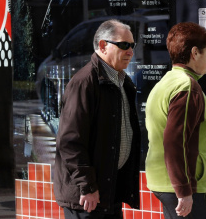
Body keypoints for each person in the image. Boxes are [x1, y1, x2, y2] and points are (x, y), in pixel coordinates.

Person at [54, 19, 141, 218]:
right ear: (103, 46)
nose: (131, 52)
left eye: (132, 45)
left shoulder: (121, 82)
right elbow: (69, 142)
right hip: (86, 198)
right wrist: (87, 185)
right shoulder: (85, 83)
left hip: (108, 193)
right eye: (124, 45)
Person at [145, 22, 206, 218]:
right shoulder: (187, 87)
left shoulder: (166, 81)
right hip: (180, 186)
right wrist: (184, 190)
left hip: (170, 183)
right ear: (195, 53)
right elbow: (174, 141)